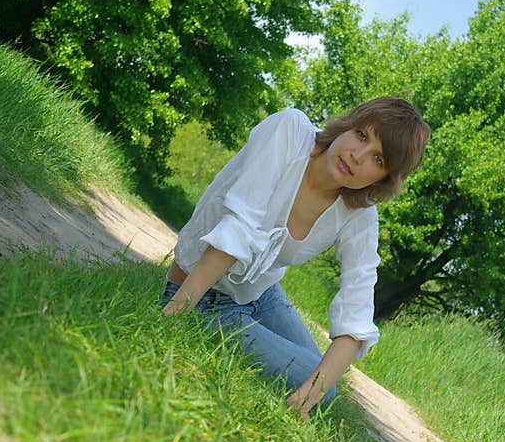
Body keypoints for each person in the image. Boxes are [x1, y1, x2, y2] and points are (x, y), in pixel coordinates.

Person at [160, 97, 431, 418]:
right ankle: (203, 315)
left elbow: (357, 315)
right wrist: (175, 312)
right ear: (347, 126)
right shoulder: (290, 131)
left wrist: (303, 402)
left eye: (378, 159)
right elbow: (239, 226)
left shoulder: (359, 215)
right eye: (361, 135)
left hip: (262, 293)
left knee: (320, 385)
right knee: (318, 382)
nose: (357, 157)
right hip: (206, 293)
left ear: (383, 179)